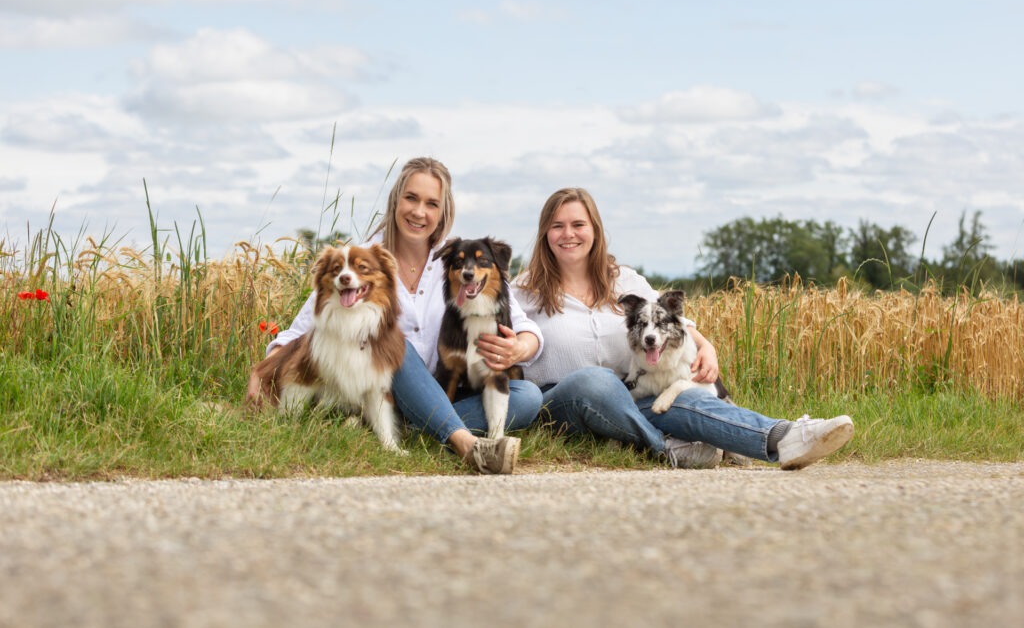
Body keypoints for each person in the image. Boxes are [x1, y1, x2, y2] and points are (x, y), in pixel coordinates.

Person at [512, 187, 854, 469]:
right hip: (562, 404)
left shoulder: (624, 280)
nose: (568, 234)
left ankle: (785, 437)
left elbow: (674, 322)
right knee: (594, 380)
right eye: (557, 226)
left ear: (595, 230)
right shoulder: (523, 291)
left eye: (578, 224)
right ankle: (666, 447)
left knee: (683, 399)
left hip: (628, 398)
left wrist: (707, 347)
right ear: (545, 233)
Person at [247, 157, 544, 474]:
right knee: (395, 344)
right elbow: (301, 332)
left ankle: (417, 428)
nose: (419, 212)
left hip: (445, 392)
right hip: (380, 390)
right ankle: (467, 445)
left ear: (443, 212)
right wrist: (263, 370)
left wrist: (520, 347)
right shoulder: (361, 260)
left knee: (527, 396)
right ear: (395, 200)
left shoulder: (455, 259)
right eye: (411, 198)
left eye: (432, 203)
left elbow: (526, 328)